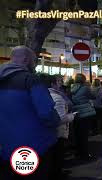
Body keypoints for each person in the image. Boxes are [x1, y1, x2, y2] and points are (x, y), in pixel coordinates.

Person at [0, 46, 60, 179]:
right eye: (35, 61)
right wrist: (59, 120)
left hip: (5, 148)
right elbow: (47, 113)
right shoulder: (31, 80)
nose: (35, 64)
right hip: (34, 146)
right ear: (26, 60)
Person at [71, 73, 96, 160]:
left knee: (77, 134)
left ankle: (78, 152)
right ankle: (84, 154)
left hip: (75, 112)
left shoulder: (71, 88)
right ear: (83, 80)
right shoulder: (85, 88)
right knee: (84, 135)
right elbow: (93, 96)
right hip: (85, 113)